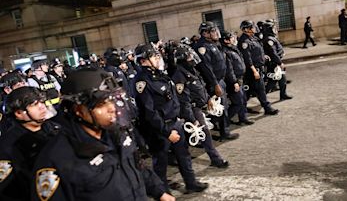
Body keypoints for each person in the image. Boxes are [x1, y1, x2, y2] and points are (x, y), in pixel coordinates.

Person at [32, 68, 175, 201]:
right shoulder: (56, 159)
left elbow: (138, 166)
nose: (111, 108)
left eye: (112, 100)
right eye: (101, 104)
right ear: (78, 109)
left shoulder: (118, 133)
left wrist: (160, 191)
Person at [134, 44, 208, 193]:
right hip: (160, 130)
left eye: (157, 55)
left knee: (184, 156)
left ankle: (191, 182)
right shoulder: (142, 81)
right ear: (143, 61)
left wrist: (181, 117)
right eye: (153, 56)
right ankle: (163, 191)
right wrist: (167, 133)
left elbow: (172, 99)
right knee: (160, 162)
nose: (157, 58)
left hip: (175, 123)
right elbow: (150, 112)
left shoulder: (160, 75)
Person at [171, 44, 229, 168]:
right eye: (189, 57)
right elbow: (183, 101)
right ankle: (215, 159)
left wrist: (207, 99)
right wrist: (192, 119)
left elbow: (200, 87)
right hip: (191, 109)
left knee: (188, 137)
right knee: (204, 133)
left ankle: (175, 156)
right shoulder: (179, 76)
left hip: (197, 105)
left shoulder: (192, 71)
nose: (192, 58)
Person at [0, 86, 60, 200]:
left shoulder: (53, 127)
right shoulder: (8, 146)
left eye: (41, 102)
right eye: (34, 104)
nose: (42, 107)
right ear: (18, 113)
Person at [193, 21, 239, 141]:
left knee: (220, 108)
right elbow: (207, 69)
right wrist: (215, 84)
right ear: (205, 33)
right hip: (214, 82)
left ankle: (218, 129)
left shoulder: (213, 44)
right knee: (219, 108)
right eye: (213, 31)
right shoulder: (202, 47)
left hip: (220, 80)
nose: (216, 33)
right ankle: (223, 133)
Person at [238, 20, 279, 116]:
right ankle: (267, 107)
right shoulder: (244, 41)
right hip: (253, 69)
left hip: (259, 68)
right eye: (252, 27)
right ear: (246, 29)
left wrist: (263, 56)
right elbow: (247, 58)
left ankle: (242, 109)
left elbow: (257, 50)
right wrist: (254, 71)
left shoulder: (252, 38)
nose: (254, 28)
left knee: (249, 91)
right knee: (260, 89)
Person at [220, 31, 254, 125]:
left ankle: (243, 118)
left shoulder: (233, 49)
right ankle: (224, 122)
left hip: (239, 79)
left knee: (243, 100)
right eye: (231, 38)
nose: (234, 39)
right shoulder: (225, 52)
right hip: (233, 81)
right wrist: (234, 82)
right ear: (226, 40)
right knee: (237, 102)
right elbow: (229, 70)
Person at [259, 20, 293, 101]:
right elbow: (273, 53)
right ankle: (262, 97)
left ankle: (283, 94)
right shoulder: (268, 40)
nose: (275, 30)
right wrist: (279, 63)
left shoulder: (270, 38)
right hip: (273, 63)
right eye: (273, 28)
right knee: (272, 82)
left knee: (282, 79)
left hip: (275, 62)